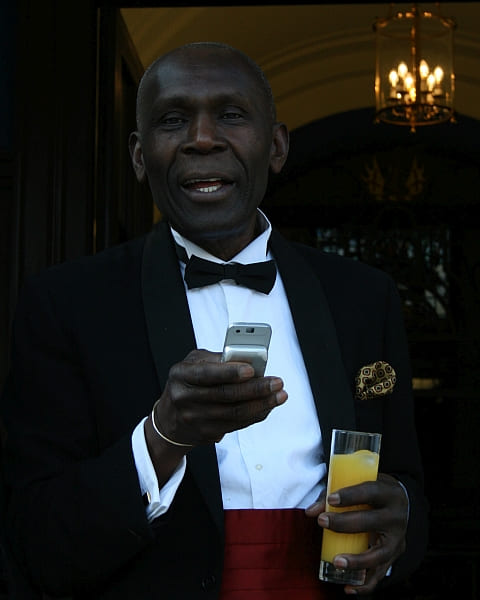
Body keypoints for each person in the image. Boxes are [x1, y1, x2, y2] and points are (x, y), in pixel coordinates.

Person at [1, 42, 427, 599]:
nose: (202, 138)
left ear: (276, 147)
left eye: (230, 114)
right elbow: (35, 540)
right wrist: (162, 437)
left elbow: (408, 485)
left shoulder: (364, 298)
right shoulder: (65, 305)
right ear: (139, 156)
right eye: (173, 120)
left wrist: (398, 524)